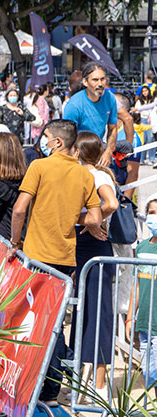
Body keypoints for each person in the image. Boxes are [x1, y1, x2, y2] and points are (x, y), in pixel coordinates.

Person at [9, 120, 102, 276]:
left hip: (37, 255)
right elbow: (95, 219)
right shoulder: (85, 175)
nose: (43, 140)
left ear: (58, 142)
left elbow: (19, 210)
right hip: (65, 257)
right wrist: (69, 216)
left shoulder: (39, 166)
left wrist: (15, 242)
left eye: (46, 136)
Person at [66, 131, 119, 397]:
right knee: (81, 311)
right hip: (82, 246)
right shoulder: (84, 174)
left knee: (99, 312)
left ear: (78, 151)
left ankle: (99, 383)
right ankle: (79, 379)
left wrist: (90, 221)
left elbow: (111, 203)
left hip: (94, 247)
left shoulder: (97, 176)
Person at [64, 62, 120, 166]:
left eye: (102, 79)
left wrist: (108, 152)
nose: (100, 84)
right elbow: (67, 137)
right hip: (78, 155)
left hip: (99, 151)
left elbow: (113, 128)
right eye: (95, 80)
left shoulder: (110, 98)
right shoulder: (74, 105)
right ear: (85, 82)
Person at [127, 199, 157, 390]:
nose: (155, 216)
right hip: (145, 322)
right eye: (152, 212)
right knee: (149, 374)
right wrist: (130, 318)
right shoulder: (142, 247)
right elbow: (136, 285)